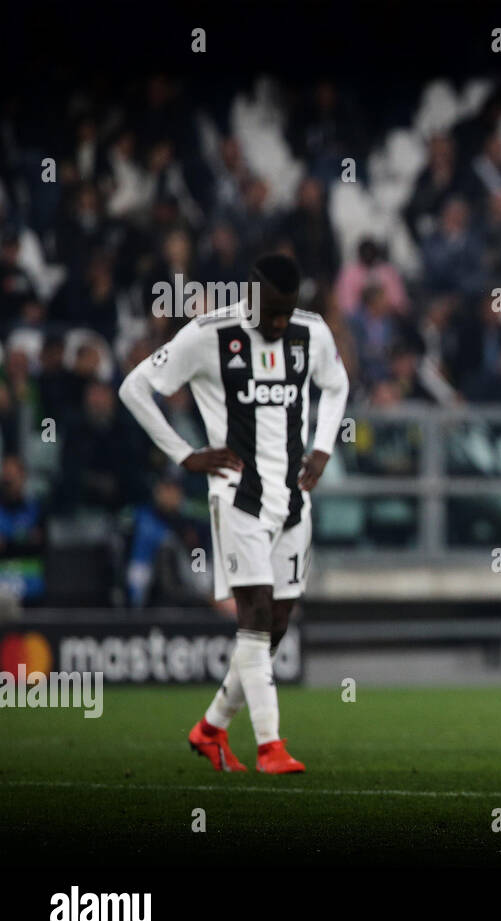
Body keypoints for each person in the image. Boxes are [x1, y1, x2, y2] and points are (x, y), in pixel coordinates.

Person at [119, 253, 349, 773]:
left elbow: (336, 386)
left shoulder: (310, 333)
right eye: (272, 312)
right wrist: (184, 453)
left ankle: (211, 728)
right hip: (236, 496)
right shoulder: (208, 334)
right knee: (256, 613)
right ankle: (271, 746)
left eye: (288, 312)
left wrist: (323, 447)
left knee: (280, 621)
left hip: (293, 497)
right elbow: (134, 388)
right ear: (251, 293)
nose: (279, 323)